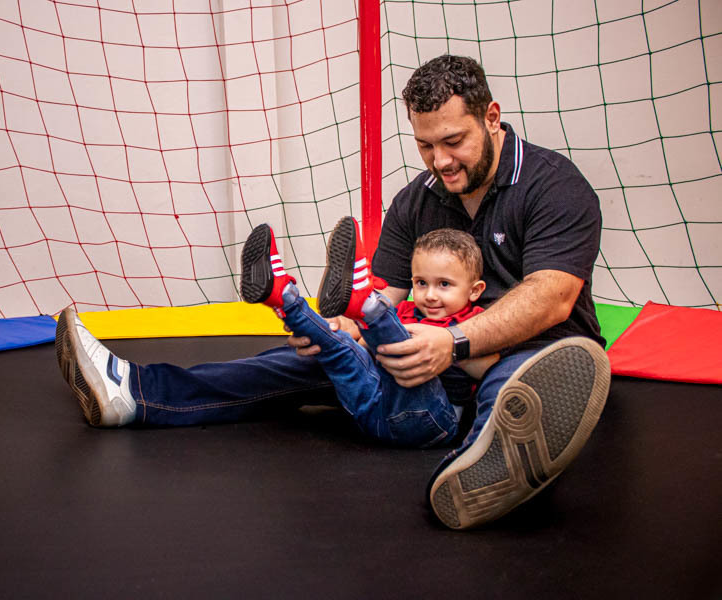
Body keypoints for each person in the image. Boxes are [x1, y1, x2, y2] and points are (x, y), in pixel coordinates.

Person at [54, 54, 611, 530]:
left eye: (453, 142)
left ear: (491, 118)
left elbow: (552, 296)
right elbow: (387, 300)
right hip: (426, 355)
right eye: (424, 146)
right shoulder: (418, 198)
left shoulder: (553, 185)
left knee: (510, 384)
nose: (440, 161)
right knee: (307, 359)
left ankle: (478, 476)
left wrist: (456, 343)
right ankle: (134, 394)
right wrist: (341, 330)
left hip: (534, 353)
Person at [239, 218, 498, 447]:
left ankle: (366, 305)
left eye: (444, 285)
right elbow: (362, 347)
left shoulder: (470, 322)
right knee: (339, 350)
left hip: (429, 421)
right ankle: (285, 300)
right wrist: (332, 336)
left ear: (475, 290)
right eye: (421, 283)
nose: (430, 295)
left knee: (401, 345)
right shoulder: (406, 311)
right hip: (371, 413)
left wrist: (447, 347)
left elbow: (488, 367)